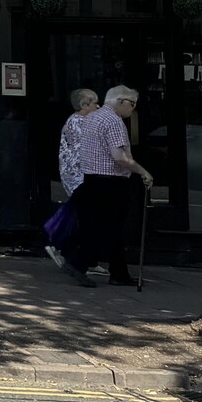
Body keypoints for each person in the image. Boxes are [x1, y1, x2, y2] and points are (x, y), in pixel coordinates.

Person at [59, 83, 153, 287]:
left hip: (92, 178)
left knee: (108, 227)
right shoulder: (114, 121)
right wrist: (142, 171)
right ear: (121, 101)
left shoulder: (92, 117)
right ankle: (79, 263)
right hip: (111, 181)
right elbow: (120, 157)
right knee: (108, 227)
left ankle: (119, 273)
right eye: (132, 103)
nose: (133, 108)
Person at [44, 88, 97, 268]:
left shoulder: (75, 121)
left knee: (79, 213)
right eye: (95, 103)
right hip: (79, 176)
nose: (98, 106)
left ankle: (66, 249)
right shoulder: (79, 123)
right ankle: (60, 245)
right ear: (84, 104)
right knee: (82, 215)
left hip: (76, 175)